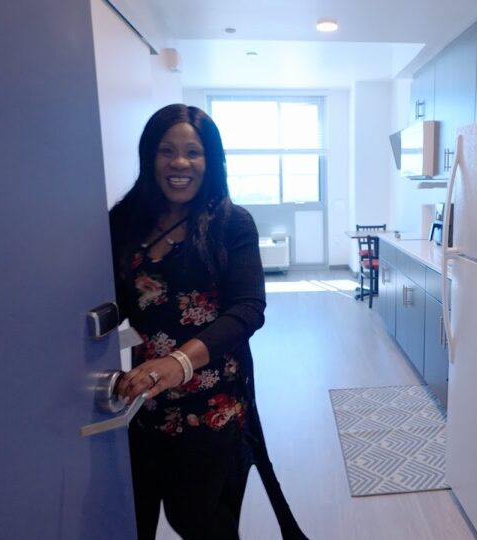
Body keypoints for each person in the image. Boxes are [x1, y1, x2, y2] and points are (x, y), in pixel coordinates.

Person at [109, 104, 306, 539]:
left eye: (193, 152)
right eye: (166, 150)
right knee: (130, 521)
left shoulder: (231, 223)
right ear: (149, 156)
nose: (179, 163)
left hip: (213, 409)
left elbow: (247, 309)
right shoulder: (124, 221)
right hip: (143, 404)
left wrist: (177, 362)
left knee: (201, 524)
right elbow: (111, 301)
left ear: (210, 161)